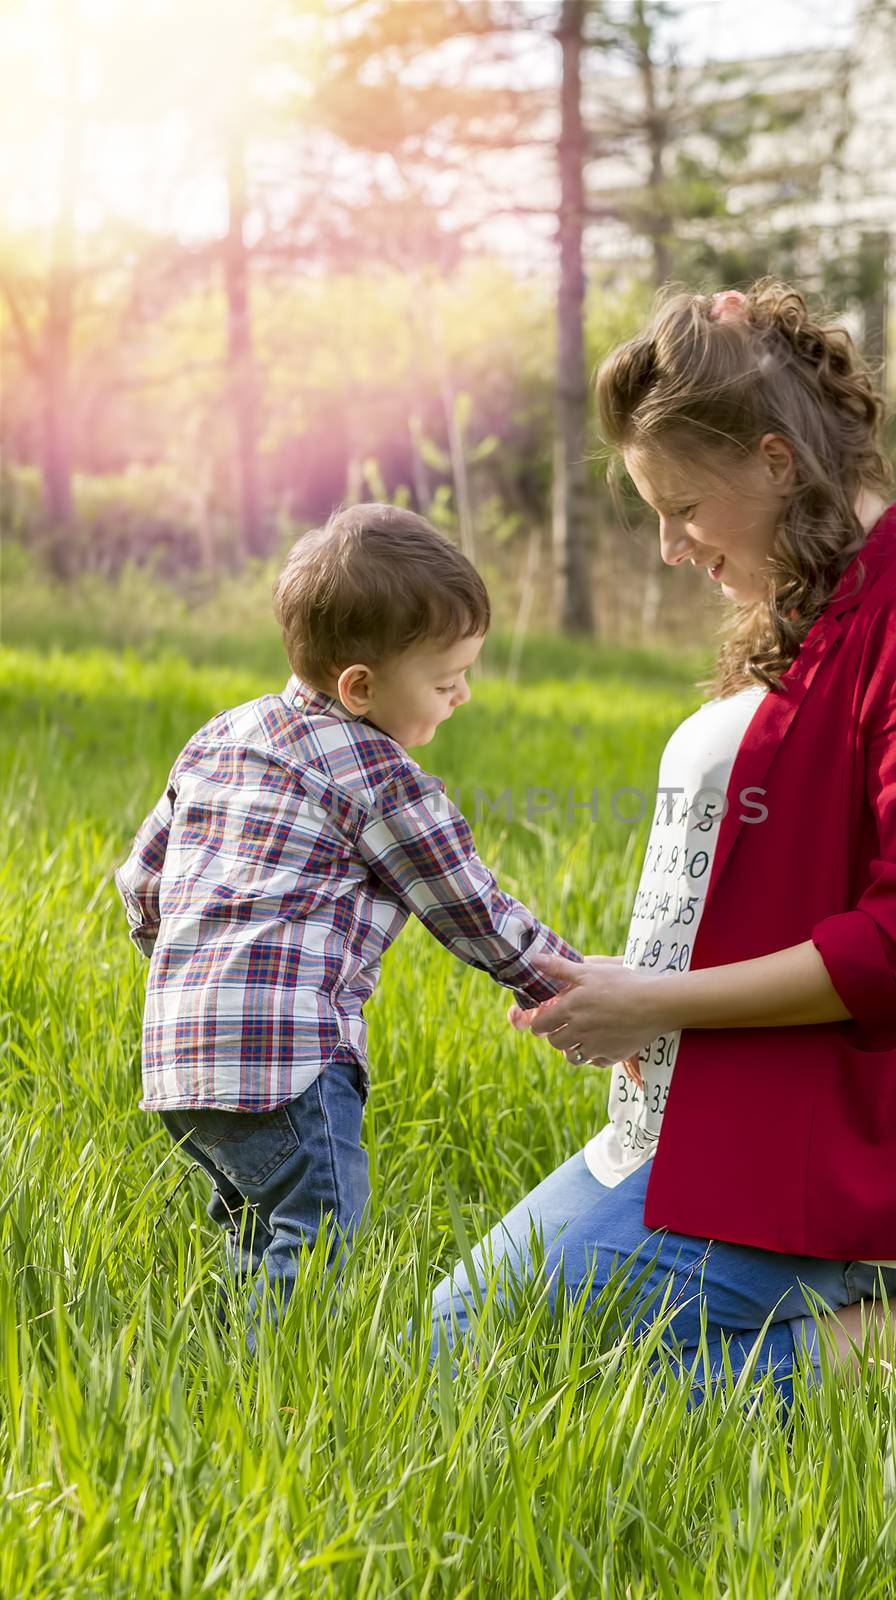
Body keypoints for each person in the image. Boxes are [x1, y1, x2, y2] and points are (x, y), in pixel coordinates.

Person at [423, 280, 896, 1409]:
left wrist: (657, 1002)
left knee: (513, 1368)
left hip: (848, 1142)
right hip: (717, 1104)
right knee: (468, 1338)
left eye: (681, 508)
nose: (667, 547)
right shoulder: (812, 616)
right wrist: (638, 1015)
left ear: (772, 461)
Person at [114, 503, 589, 1350]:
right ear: (360, 686)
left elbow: (142, 880)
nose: (463, 695)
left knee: (258, 1230)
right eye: (446, 683)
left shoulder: (225, 734)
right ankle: (282, 1391)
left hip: (175, 1052)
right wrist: (570, 986)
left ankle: (228, 1366)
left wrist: (186, 973)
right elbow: (471, 909)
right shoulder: (384, 777)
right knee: (317, 1226)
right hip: (289, 1055)